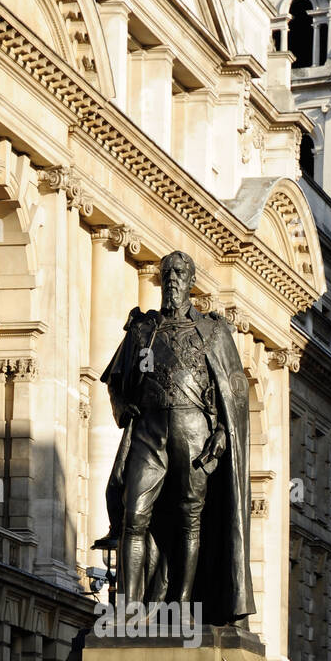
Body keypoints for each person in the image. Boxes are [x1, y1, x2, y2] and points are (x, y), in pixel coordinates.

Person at [99, 250, 256, 627]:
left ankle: (183, 605)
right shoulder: (141, 330)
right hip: (149, 429)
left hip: (194, 430)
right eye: (167, 273)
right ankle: (128, 612)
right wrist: (123, 407)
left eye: (180, 273)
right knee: (134, 515)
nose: (172, 279)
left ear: (190, 282)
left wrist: (221, 433)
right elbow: (115, 381)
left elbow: (233, 393)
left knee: (190, 517)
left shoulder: (214, 331)